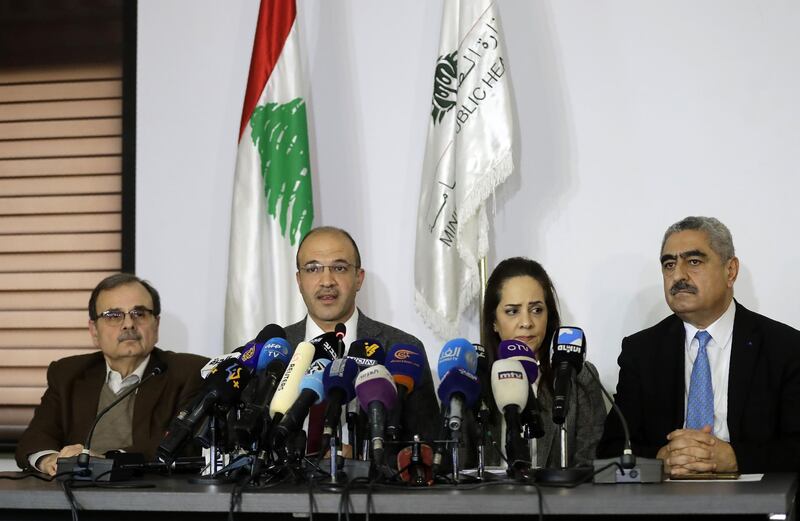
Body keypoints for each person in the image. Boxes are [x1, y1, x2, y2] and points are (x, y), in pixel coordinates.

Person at [598, 216, 800, 475]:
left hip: (754, 505)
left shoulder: (785, 348)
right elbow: (611, 449)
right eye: (669, 264)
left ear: (730, 271)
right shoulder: (641, 352)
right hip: (664, 506)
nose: (678, 275)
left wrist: (735, 458)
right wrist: (661, 459)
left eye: (694, 262)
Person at [15, 273, 208, 475]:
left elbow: (186, 451)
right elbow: (34, 440)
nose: (128, 324)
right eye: (113, 315)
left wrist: (108, 461)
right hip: (74, 496)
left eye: (139, 313)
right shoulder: (67, 374)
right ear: (94, 331)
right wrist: (50, 459)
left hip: (152, 495)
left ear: (156, 325)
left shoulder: (189, 373)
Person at [284, 226, 440, 451]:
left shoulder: (402, 349)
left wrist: (363, 465)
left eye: (339, 267)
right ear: (299, 280)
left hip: (372, 485)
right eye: (313, 269)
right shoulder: (275, 352)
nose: (327, 281)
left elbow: (426, 447)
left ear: (358, 278)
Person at [479, 257, 606, 468]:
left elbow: (589, 466)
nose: (527, 322)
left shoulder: (579, 376)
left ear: (549, 315)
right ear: (494, 322)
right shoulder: (475, 379)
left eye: (537, 309)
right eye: (512, 311)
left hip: (560, 500)